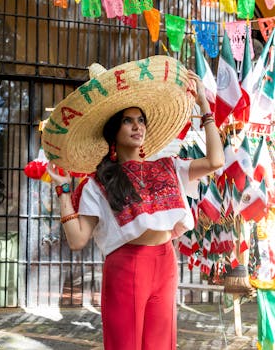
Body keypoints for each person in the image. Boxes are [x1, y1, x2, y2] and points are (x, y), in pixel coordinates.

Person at [44, 55, 224, 350]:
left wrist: (204, 108)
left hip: (166, 261)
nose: (137, 126)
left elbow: (216, 160)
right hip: (126, 265)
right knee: (125, 344)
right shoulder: (98, 182)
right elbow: (77, 240)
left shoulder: (170, 166)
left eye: (141, 120)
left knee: (160, 344)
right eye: (128, 121)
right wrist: (64, 190)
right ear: (114, 130)